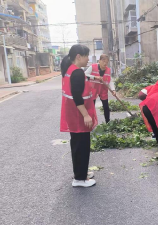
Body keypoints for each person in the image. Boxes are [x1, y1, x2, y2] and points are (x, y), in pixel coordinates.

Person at [60, 44, 97, 188]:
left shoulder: (70, 69)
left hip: (73, 115)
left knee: (77, 145)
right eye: (87, 56)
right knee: (82, 146)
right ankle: (80, 179)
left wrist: (95, 77)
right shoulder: (77, 73)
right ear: (78, 57)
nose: (88, 59)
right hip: (78, 115)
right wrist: (86, 115)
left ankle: (80, 173)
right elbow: (77, 96)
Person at [85, 54, 116, 123]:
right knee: (91, 107)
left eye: (106, 62)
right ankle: (91, 122)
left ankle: (108, 122)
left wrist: (113, 90)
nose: (105, 63)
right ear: (99, 61)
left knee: (106, 107)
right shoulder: (93, 67)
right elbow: (85, 74)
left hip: (103, 90)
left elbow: (110, 80)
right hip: (93, 89)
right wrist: (95, 77)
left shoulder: (108, 70)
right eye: (103, 61)